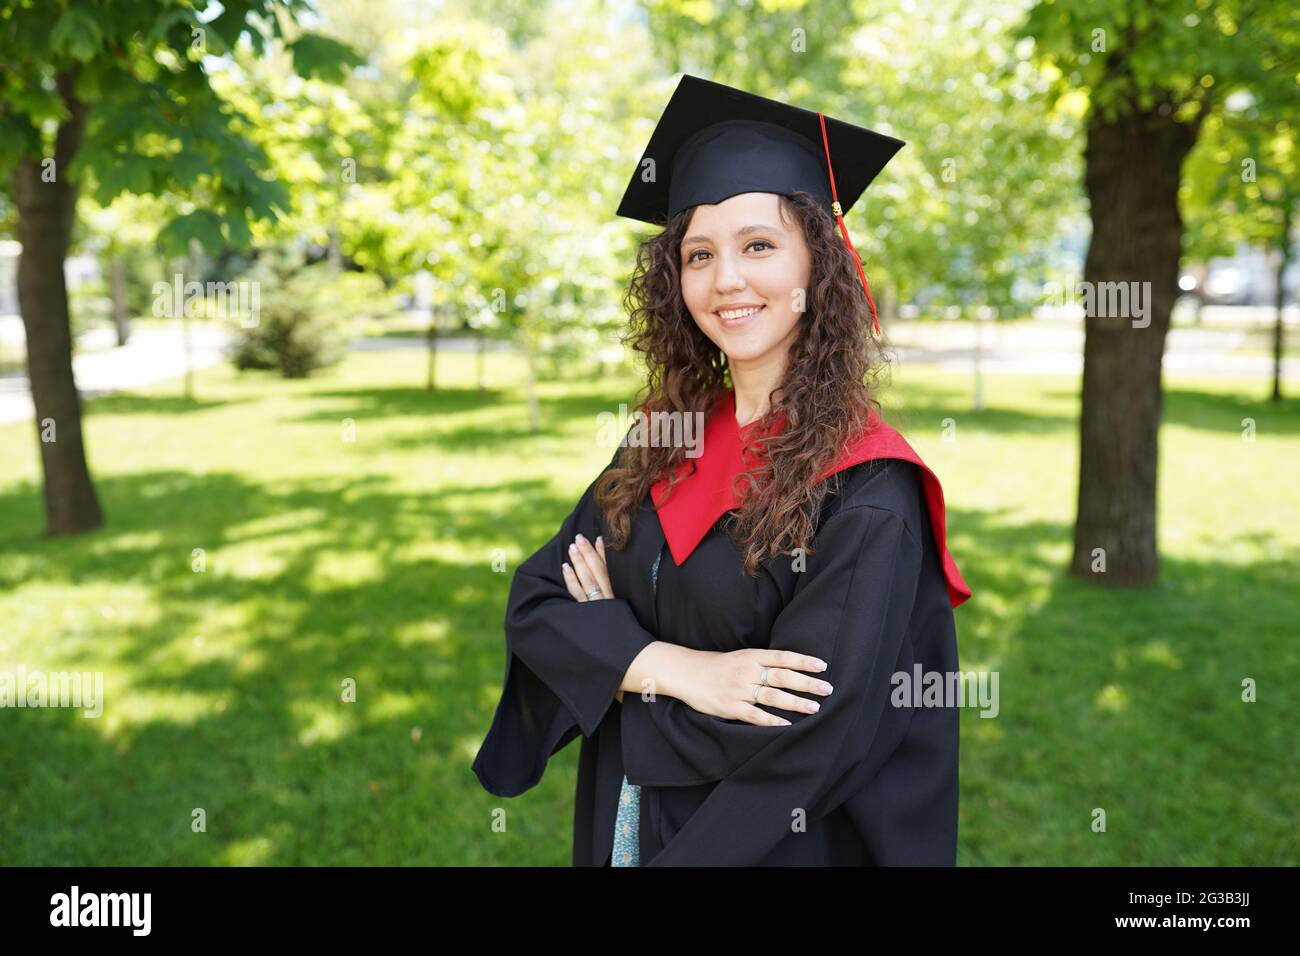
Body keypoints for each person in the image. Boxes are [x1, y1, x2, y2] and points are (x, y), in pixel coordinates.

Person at [472, 74, 973, 867]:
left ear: (822, 268)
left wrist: (616, 666)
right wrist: (679, 671)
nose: (726, 280)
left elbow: (813, 739)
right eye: (699, 254)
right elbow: (538, 604)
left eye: (760, 245)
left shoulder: (867, 487)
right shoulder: (660, 444)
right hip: (623, 827)